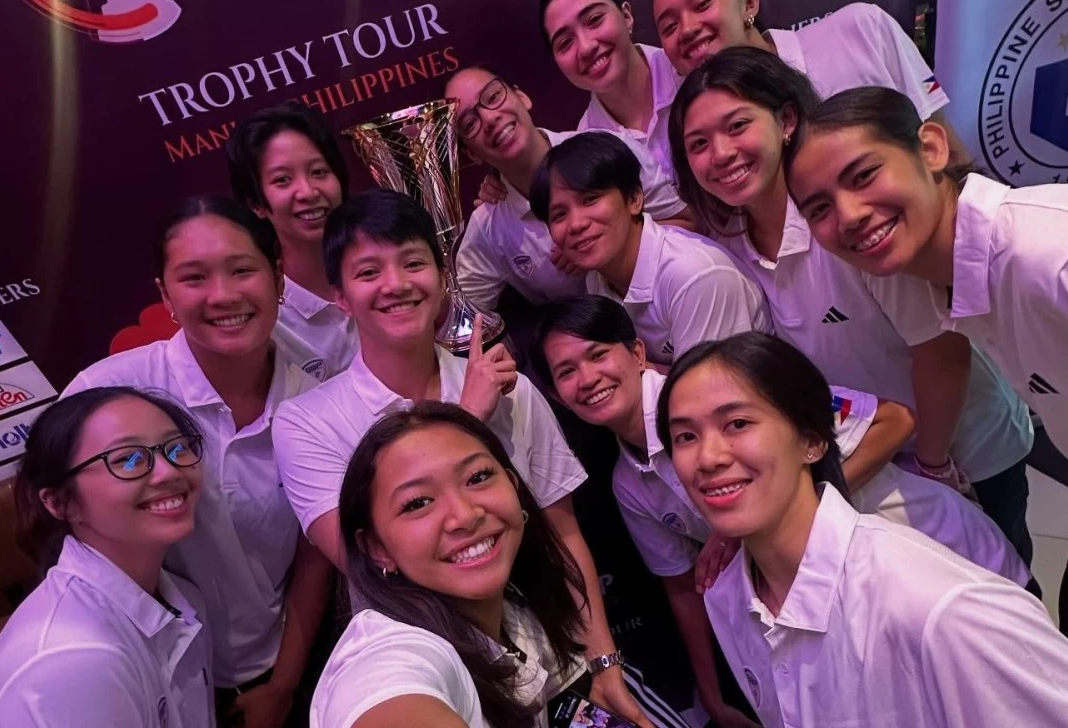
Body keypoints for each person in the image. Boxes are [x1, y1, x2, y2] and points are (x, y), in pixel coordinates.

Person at [272, 189, 666, 725]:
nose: (396, 284)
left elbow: (562, 534)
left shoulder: (511, 387)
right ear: (340, 295)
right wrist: (467, 417)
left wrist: (603, 661)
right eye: (368, 272)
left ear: (442, 275)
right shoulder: (307, 422)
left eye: (413, 263)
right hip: (452, 677)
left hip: (559, 663)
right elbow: (364, 563)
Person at [531, 296, 1029, 714]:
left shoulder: (723, 386)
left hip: (941, 548)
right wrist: (712, 694)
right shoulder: (629, 482)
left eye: (598, 355)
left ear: (637, 352)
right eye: (566, 372)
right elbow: (680, 582)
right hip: (828, 604)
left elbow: (895, 421)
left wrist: (752, 517)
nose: (588, 378)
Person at [785, 85, 1068, 679]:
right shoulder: (942, 279)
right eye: (819, 208)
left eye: (863, 175)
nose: (849, 217)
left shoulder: (1055, 258)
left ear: (930, 147)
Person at [665, 47, 1035, 565]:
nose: (721, 154)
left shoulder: (846, 223)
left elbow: (942, 353)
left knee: (1004, 582)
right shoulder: (730, 249)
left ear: (786, 120)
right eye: (698, 144)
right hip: (882, 454)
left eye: (737, 126)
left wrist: (933, 464)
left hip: (962, 445)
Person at [656, 334, 1068, 726]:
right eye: (685, 437)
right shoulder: (727, 596)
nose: (709, 457)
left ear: (813, 441)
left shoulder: (942, 612)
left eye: (737, 424)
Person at [65, 197, 331, 727]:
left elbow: (314, 554)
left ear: (278, 276)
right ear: (164, 294)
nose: (223, 296)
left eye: (242, 270)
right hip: (149, 688)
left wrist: (283, 685)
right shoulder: (104, 397)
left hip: (280, 666)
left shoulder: (317, 400)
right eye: (193, 278)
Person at [310, 402, 689, 728]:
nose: (464, 515)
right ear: (377, 548)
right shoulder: (388, 658)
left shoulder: (517, 611)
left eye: (478, 477)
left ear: (513, 486)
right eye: (417, 503)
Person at [0, 388, 214, 728]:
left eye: (177, 448)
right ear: (61, 503)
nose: (169, 471)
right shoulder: (77, 660)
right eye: (127, 459)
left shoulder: (178, 594)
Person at [651, 0, 968, 173]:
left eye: (703, 3)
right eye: (669, 27)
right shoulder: (701, 138)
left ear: (748, 4)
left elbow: (948, 148)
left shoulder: (861, 28)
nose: (688, 28)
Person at [448, 65, 689, 314]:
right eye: (469, 124)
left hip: (673, 305)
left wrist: (610, 242)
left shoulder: (604, 148)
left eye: (493, 97)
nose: (488, 119)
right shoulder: (489, 224)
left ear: (522, 97)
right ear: (472, 154)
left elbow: (688, 223)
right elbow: (461, 317)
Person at [528, 131, 768, 365]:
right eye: (559, 215)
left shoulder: (695, 276)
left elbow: (710, 394)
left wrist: (636, 371)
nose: (576, 224)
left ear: (634, 199)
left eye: (590, 200)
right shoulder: (598, 280)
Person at [227, 100, 358, 381]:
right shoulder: (264, 318)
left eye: (319, 172)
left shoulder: (387, 263)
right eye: (283, 180)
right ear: (255, 203)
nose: (308, 192)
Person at [540, 0, 685, 182]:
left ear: (626, 15)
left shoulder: (687, 71)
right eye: (565, 42)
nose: (586, 48)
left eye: (594, 20)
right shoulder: (587, 145)